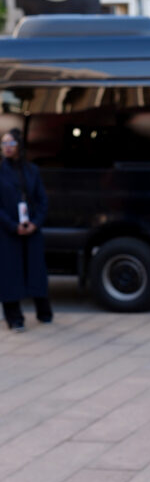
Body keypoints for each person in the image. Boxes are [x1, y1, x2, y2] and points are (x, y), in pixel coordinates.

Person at [0, 128, 52, 331]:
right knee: (9, 273)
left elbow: (42, 200)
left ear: (19, 146)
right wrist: (12, 226)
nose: (7, 148)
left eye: (11, 143)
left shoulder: (31, 170)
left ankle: (44, 312)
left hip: (31, 228)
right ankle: (15, 318)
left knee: (36, 269)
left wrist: (35, 223)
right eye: (4, 144)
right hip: (8, 231)